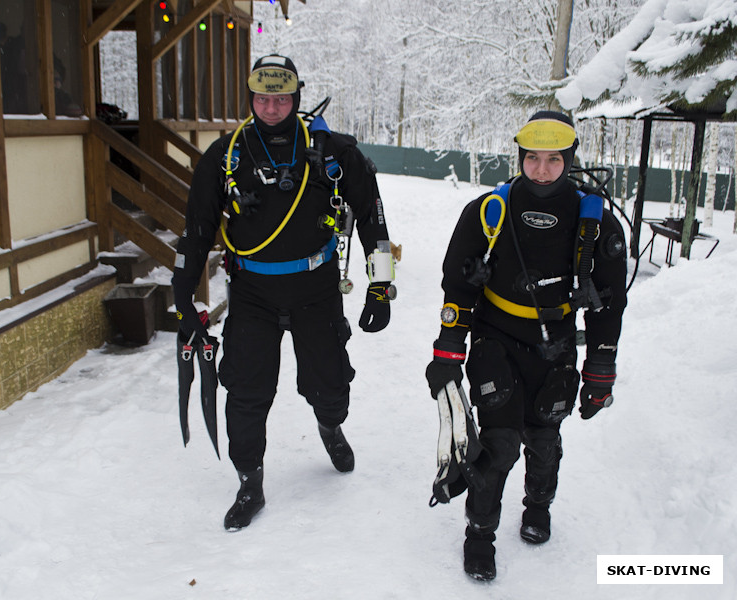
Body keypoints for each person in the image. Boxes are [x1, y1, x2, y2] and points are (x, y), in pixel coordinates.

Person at [172, 54, 396, 531]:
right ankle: (249, 481)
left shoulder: (333, 151)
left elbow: (374, 220)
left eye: (281, 99)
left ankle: (330, 425)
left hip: (316, 288)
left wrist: (380, 284)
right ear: (250, 99)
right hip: (252, 292)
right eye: (262, 99)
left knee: (331, 384)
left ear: (295, 98)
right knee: (246, 392)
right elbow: (195, 232)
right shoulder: (225, 156)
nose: (271, 108)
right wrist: (183, 296)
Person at [425, 111, 627, 581]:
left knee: (544, 439)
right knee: (498, 444)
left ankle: (538, 505)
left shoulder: (595, 224)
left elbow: (608, 305)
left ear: (569, 160)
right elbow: (456, 285)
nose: (540, 169)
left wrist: (601, 370)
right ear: (519, 157)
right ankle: (480, 533)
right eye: (531, 158)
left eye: (553, 160)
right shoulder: (488, 211)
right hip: (496, 337)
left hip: (555, 346)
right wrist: (448, 350)